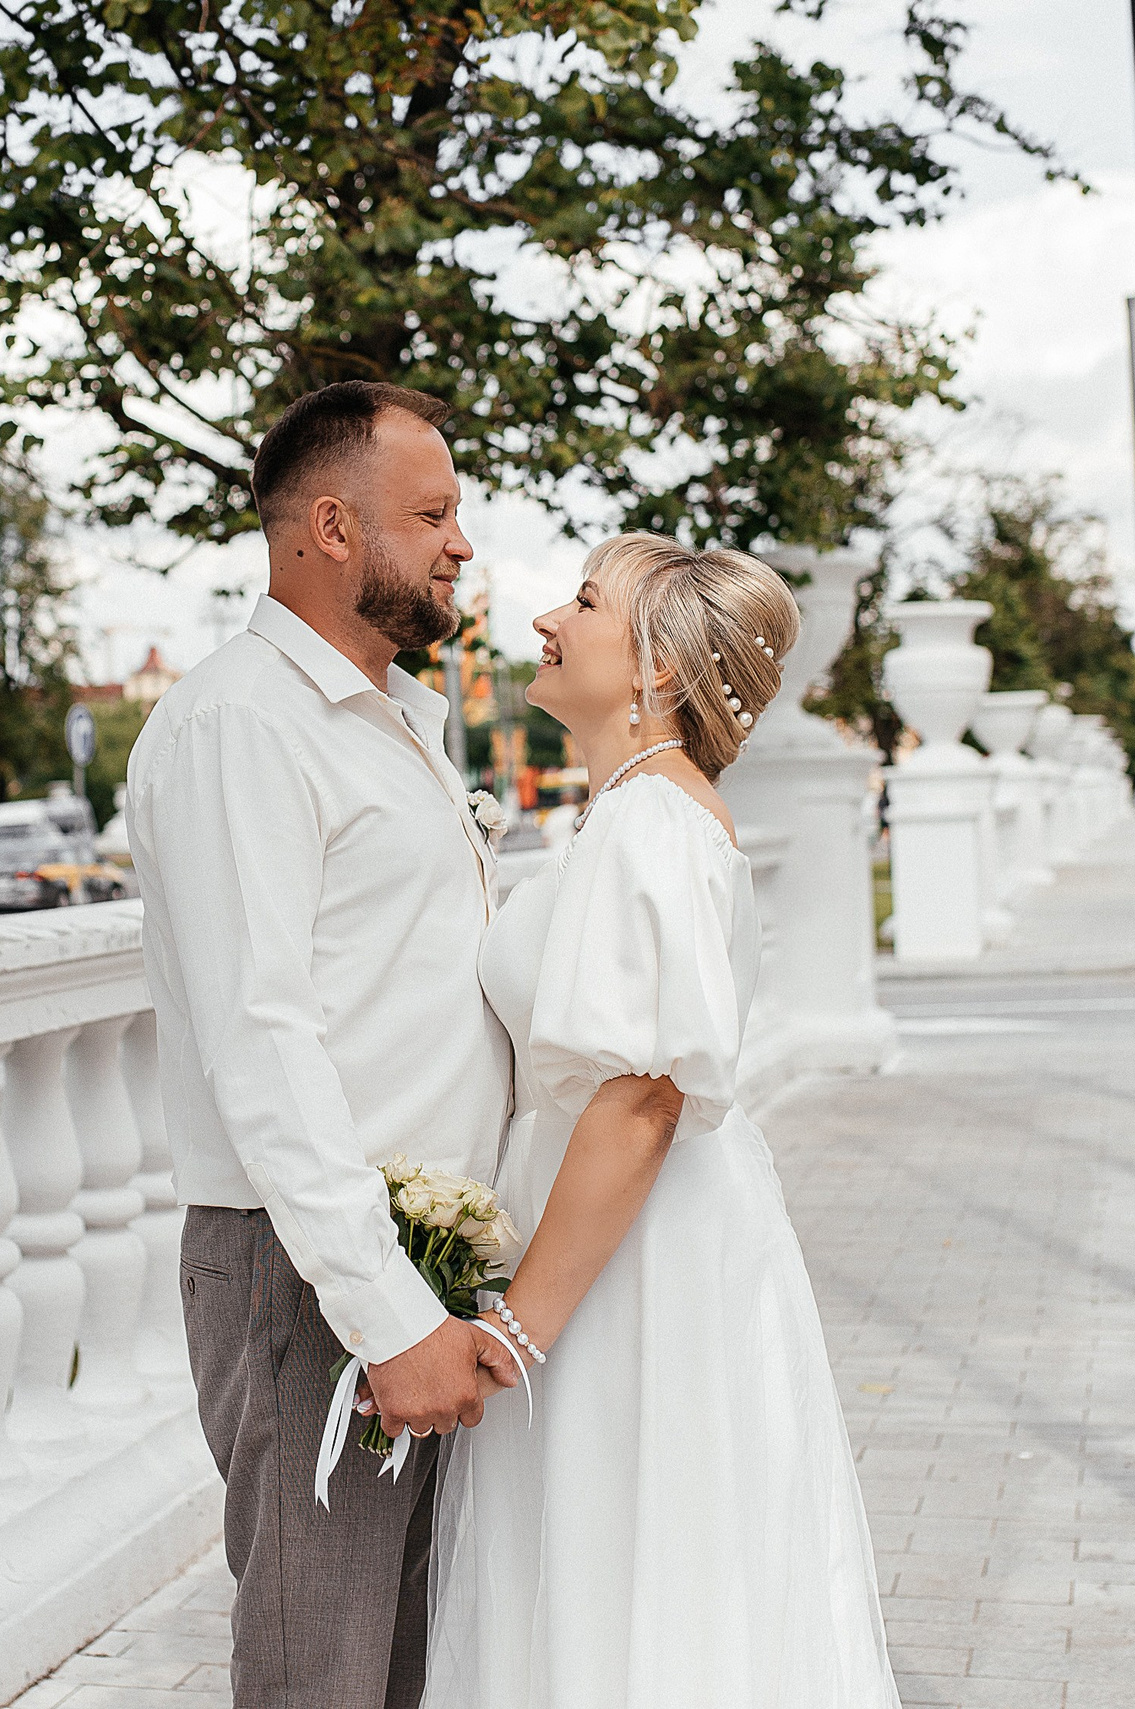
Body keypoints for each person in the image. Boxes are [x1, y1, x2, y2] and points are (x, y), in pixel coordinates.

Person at [423, 533, 901, 1705]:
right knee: (617, 1561)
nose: (547, 618)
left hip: (626, 1263)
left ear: (656, 672)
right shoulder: (627, 816)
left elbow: (639, 1098)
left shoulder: (653, 825)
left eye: (584, 602)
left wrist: (517, 1331)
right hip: (615, 1244)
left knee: (634, 1559)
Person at [126, 380, 519, 1708]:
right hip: (310, 1270)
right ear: (334, 529)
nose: (463, 542)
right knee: (322, 1676)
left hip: (413, 1259)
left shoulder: (401, 718)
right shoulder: (244, 720)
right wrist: (385, 1308)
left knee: (404, 1672)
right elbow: (262, 1036)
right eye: (435, 513)